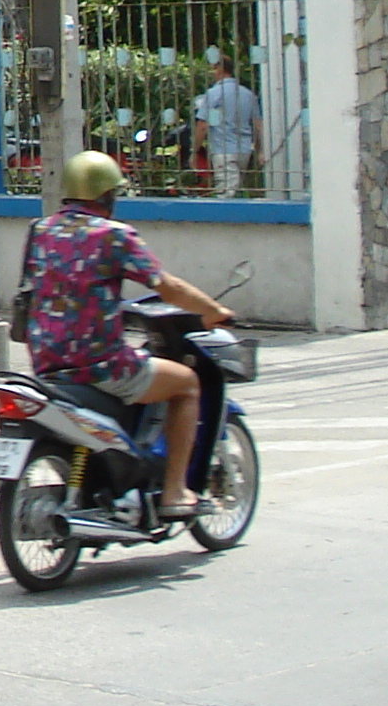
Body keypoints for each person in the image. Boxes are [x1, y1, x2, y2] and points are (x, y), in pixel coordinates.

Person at [22, 151, 236, 518]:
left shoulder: (41, 231)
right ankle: (174, 492)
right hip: (100, 365)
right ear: (107, 196)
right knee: (187, 385)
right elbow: (166, 286)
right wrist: (213, 311)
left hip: (47, 361)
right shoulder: (114, 236)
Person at [190, 48, 262, 197]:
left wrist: (195, 151)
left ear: (220, 70)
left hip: (223, 149)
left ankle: (225, 219)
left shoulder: (214, 94)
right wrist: (260, 150)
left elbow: (202, 125)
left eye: (212, 69)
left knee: (225, 193)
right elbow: (258, 126)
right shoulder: (247, 94)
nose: (211, 73)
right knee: (235, 187)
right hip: (244, 150)